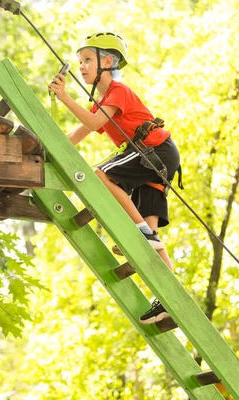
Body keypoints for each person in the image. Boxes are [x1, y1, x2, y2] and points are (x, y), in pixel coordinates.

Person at [48, 31, 181, 324]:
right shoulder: (101, 101)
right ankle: (170, 297)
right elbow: (78, 134)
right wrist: (48, 146)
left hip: (155, 151)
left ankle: (143, 234)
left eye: (86, 60)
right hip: (151, 159)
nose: (81, 66)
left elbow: (95, 122)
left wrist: (65, 96)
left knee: (101, 175)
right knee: (153, 237)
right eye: (79, 61)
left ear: (107, 61)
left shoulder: (118, 91)